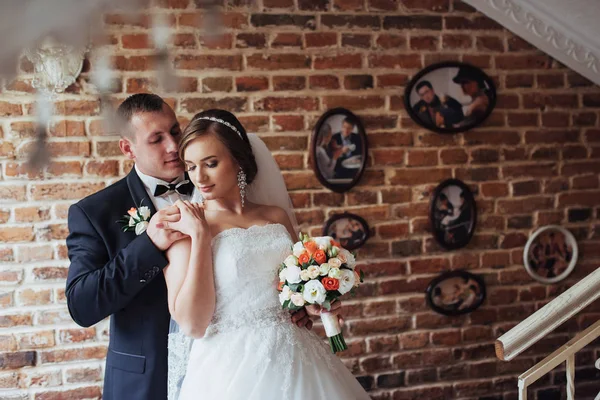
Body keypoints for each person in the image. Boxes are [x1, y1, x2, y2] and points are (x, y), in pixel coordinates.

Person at [64, 94, 318, 400]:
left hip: (249, 364)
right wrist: (149, 244)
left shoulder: (214, 172)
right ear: (128, 148)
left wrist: (297, 306)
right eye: (156, 139)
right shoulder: (95, 212)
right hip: (148, 375)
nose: (173, 146)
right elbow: (82, 305)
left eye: (174, 131)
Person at [160, 110, 370, 400]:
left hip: (295, 354)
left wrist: (313, 306)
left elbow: (293, 290)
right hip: (228, 369)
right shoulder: (185, 225)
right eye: (191, 166)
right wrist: (200, 236)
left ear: (238, 161)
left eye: (211, 163)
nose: (199, 177)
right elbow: (193, 324)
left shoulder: (276, 216)